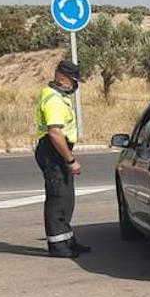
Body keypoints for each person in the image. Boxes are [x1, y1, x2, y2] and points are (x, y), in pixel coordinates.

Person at [34, 60, 90, 258]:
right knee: (58, 198)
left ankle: (67, 239)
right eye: (74, 81)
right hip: (53, 152)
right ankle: (58, 245)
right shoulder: (54, 100)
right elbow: (55, 134)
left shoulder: (57, 95)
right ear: (63, 79)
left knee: (66, 198)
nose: (75, 86)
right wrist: (70, 160)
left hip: (57, 150)